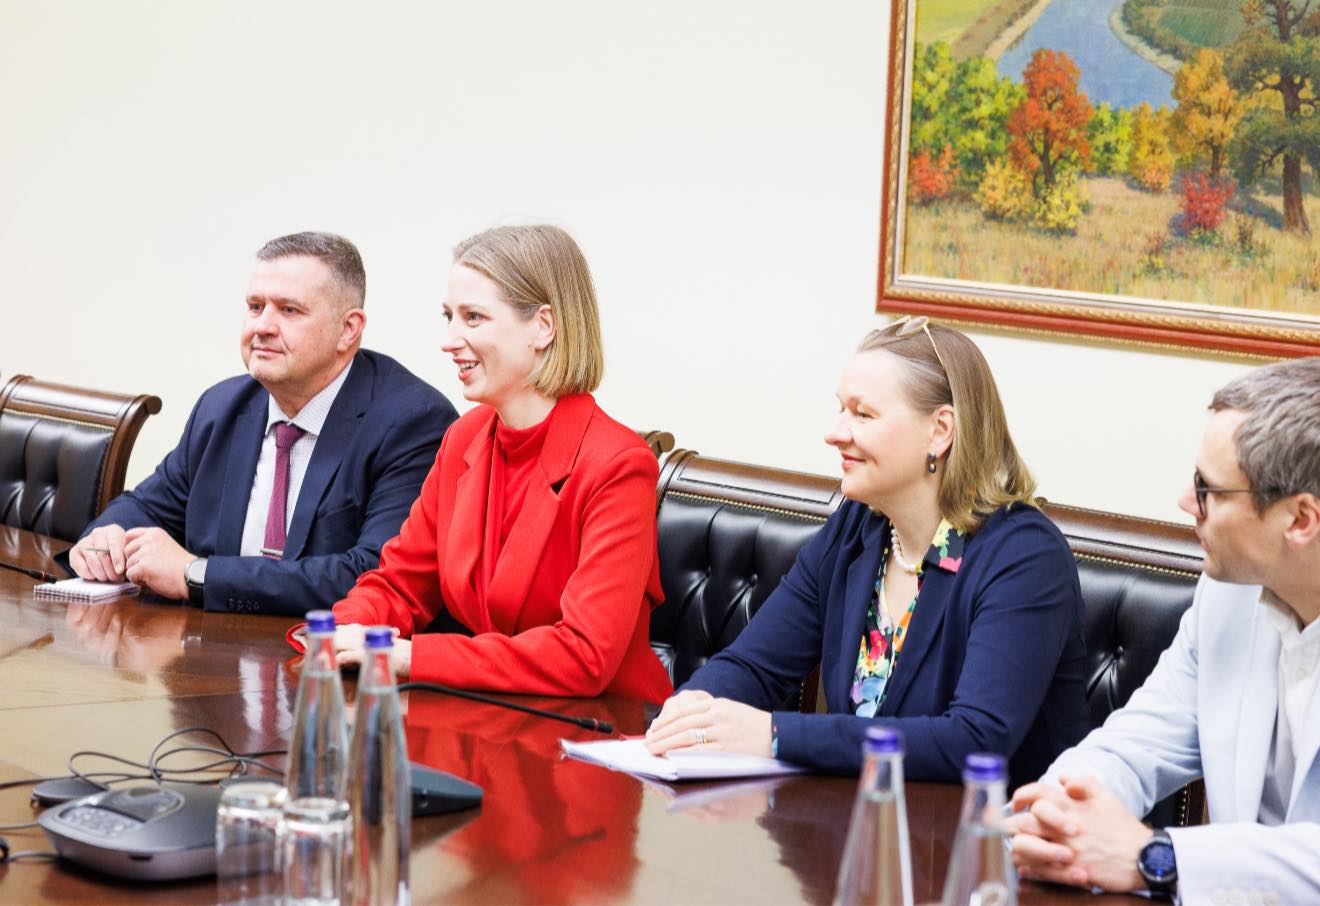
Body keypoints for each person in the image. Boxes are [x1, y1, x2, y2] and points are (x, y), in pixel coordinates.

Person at [645, 317, 1089, 782]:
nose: (835, 432)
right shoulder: (857, 529)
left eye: (863, 414)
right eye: (841, 409)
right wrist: (691, 710)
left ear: (940, 431)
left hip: (996, 824)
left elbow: (975, 741)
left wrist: (776, 735)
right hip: (867, 816)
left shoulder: (1024, 557)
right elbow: (754, 666)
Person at [1006, 356, 1320, 904]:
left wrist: (1157, 856)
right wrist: (1058, 814)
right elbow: (1137, 741)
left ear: (1299, 520)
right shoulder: (1226, 595)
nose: (1184, 501)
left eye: (1208, 488)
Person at [330, 225, 673, 705]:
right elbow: (401, 583)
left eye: (473, 318)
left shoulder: (618, 465)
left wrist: (410, 656)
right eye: (449, 316)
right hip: (497, 714)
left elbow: (584, 655)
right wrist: (344, 630)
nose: (449, 340)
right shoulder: (464, 438)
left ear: (543, 326)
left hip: (602, 727)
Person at [68, 231, 457, 615]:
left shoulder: (412, 423)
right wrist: (107, 537)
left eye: (289, 310)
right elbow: (145, 507)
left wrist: (196, 574)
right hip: (211, 648)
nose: (262, 327)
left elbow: (375, 574)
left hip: (323, 650)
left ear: (348, 329)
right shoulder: (221, 407)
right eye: (255, 307)